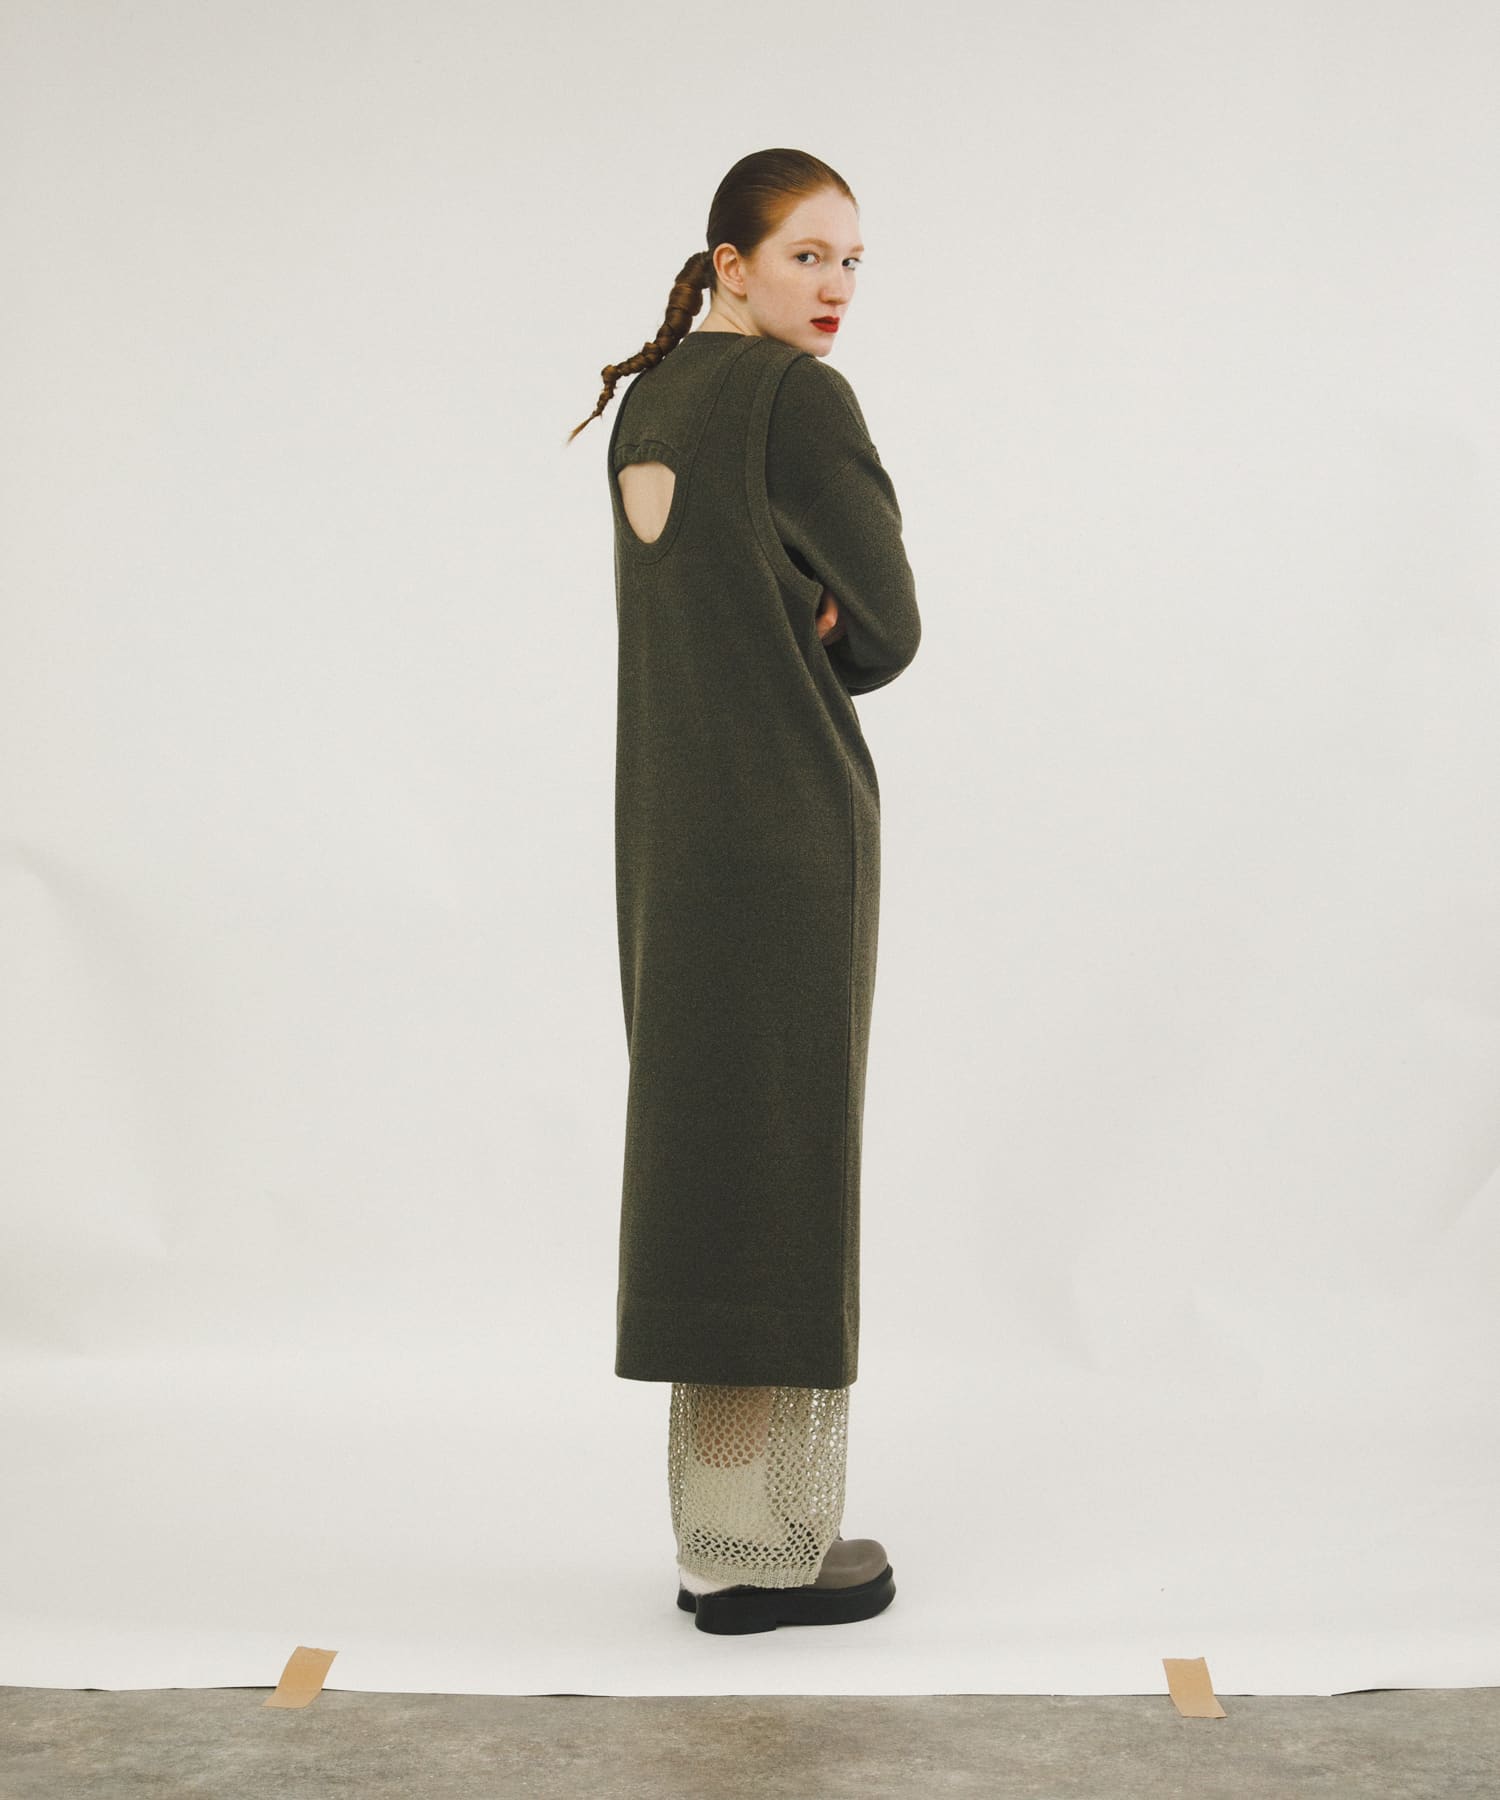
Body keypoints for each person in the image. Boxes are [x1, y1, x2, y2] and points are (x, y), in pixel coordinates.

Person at [568, 148, 921, 1635]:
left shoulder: (652, 400)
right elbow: (889, 625)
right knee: (784, 1161)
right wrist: (817, 617)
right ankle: (769, 1549)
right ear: (732, 263)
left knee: (711, 1158)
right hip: (787, 824)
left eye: (852, 262)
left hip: (668, 825)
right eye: (805, 257)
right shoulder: (798, 399)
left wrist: (782, 603)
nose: (835, 288)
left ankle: (722, 1530)